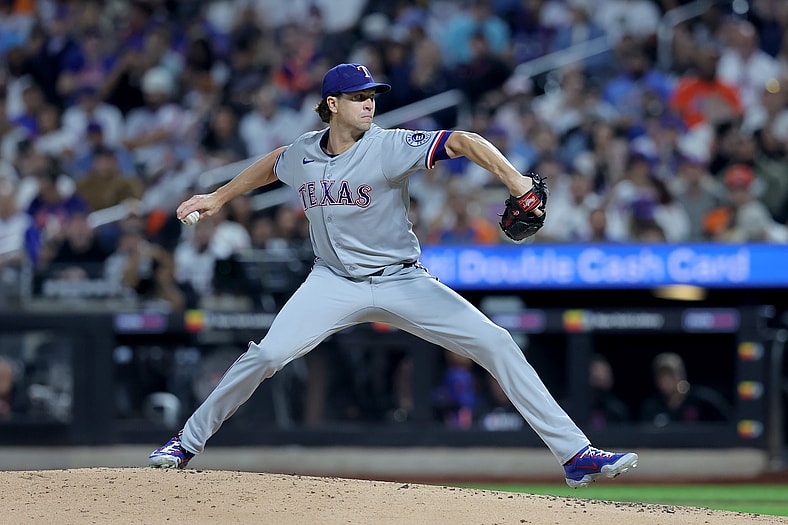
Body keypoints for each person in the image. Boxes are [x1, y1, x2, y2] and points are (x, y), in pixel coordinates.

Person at [148, 63, 638, 488]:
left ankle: (575, 455)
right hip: (332, 282)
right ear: (332, 104)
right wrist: (217, 197)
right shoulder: (304, 151)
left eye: (372, 96)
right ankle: (183, 445)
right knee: (268, 354)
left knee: (496, 342)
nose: (369, 104)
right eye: (359, 98)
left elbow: (463, 141)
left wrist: (516, 180)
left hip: (401, 280)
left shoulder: (390, 146)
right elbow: (273, 165)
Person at [640, 352, 731, 426]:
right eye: (662, 376)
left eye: (670, 375)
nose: (666, 380)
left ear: (681, 375)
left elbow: (728, 425)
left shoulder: (704, 400)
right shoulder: (651, 406)